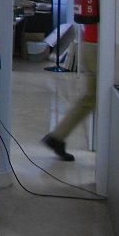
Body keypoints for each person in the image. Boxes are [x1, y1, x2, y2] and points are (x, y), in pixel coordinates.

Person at [42, 24, 97, 161]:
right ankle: (57, 137)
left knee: (90, 98)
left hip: (91, 43)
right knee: (90, 98)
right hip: (96, 45)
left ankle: (57, 136)